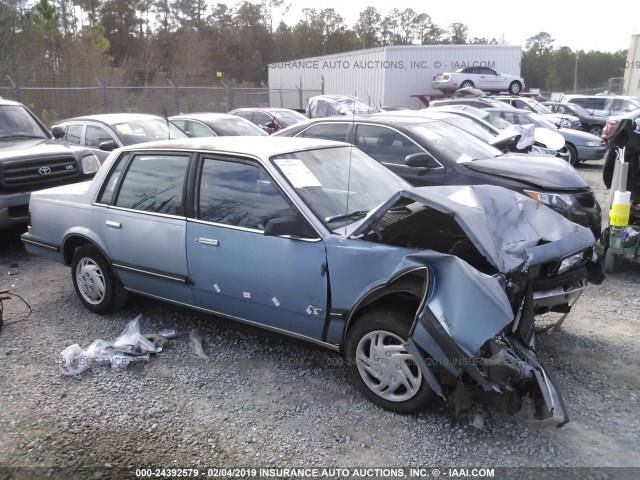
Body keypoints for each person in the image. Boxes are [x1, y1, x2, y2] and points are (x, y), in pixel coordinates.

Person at [603, 117, 640, 203]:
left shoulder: (616, 140)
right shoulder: (631, 142)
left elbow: (608, 165)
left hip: (620, 179)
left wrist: (608, 181)